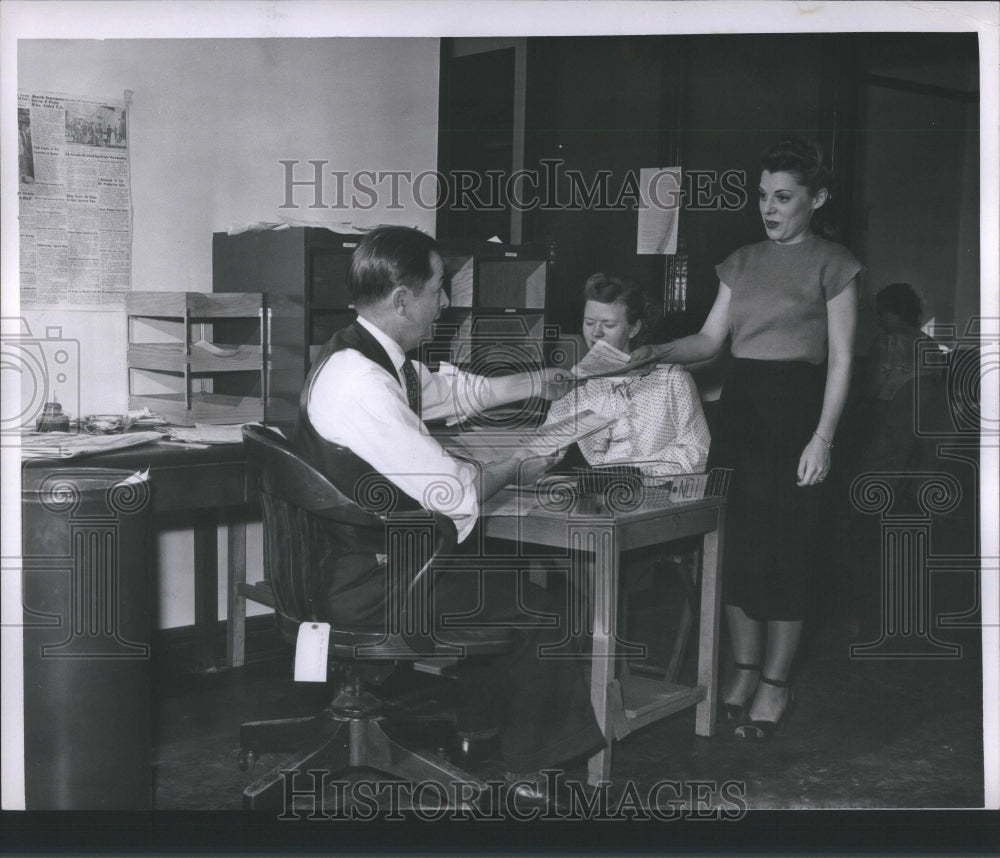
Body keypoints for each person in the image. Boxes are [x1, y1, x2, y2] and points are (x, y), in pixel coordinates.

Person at [295, 225, 603, 802]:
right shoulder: (364, 384)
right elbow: (454, 491)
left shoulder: (355, 356)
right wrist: (519, 465)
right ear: (403, 300)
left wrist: (535, 382)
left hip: (348, 564)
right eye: (439, 290)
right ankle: (534, 775)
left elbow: (447, 392)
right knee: (544, 609)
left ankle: (478, 734)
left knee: (499, 571)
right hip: (370, 583)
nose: (447, 302)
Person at [629, 137, 862, 741]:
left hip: (799, 419)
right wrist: (653, 350)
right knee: (737, 549)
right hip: (743, 417)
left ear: (818, 198)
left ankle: (776, 684)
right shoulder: (741, 260)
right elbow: (709, 343)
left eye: (784, 197)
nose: (770, 207)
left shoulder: (835, 263)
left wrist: (824, 439)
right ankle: (743, 668)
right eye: (763, 196)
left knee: (790, 553)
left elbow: (840, 362)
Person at [543, 273, 710, 482]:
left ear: (634, 328)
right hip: (598, 492)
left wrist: (636, 471)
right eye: (589, 322)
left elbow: (698, 452)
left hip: (657, 493)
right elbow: (548, 444)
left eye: (608, 325)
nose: (596, 333)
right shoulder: (576, 380)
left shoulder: (672, 378)